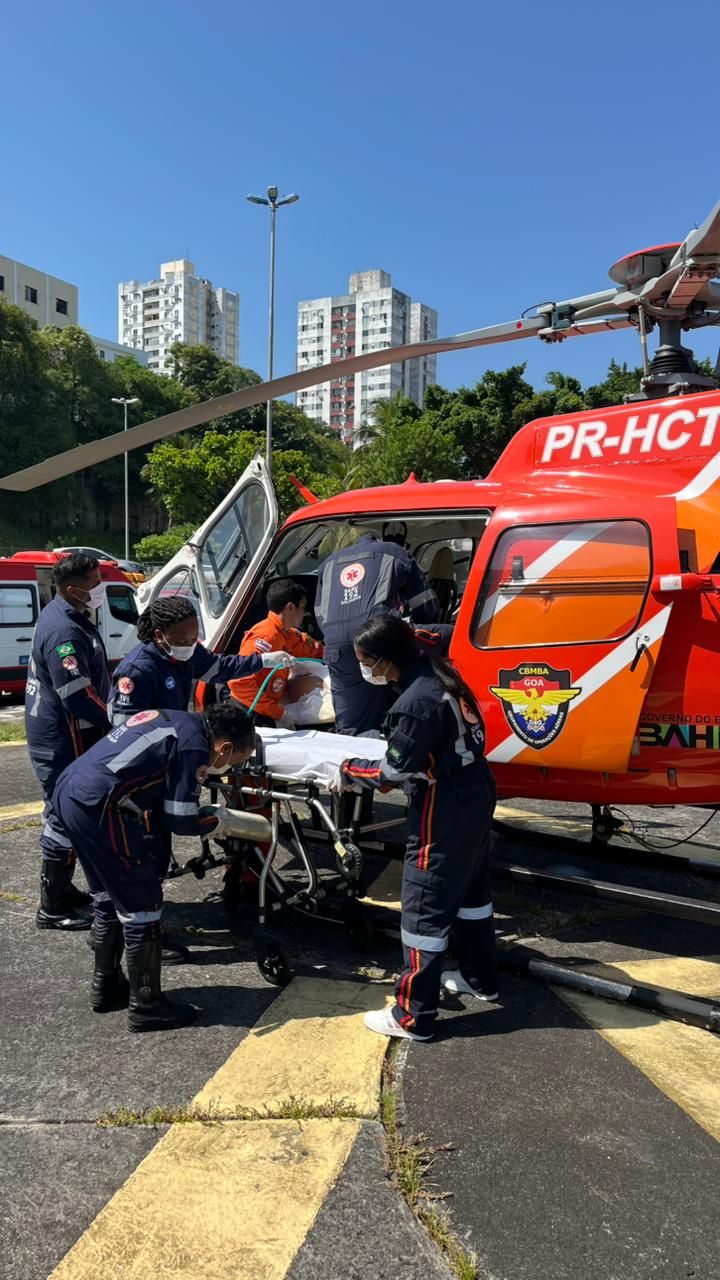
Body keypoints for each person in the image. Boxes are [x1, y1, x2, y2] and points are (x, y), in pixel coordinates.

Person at [330, 615, 497, 1042]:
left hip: (444, 806)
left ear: (386, 661)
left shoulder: (415, 702)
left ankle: (413, 1015)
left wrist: (348, 770)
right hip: (476, 791)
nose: (366, 670)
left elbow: (392, 771)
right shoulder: (442, 672)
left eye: (366, 661)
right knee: (472, 894)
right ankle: (480, 978)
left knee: (423, 907)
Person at [45, 702, 257, 1032]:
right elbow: (181, 819)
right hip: (101, 805)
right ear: (224, 747)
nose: (227, 768)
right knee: (143, 903)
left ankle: (107, 986)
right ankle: (147, 1005)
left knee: (105, 896)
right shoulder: (194, 748)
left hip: (72, 791)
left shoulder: (177, 721)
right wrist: (217, 821)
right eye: (232, 762)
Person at [25, 553, 111, 931]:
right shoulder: (64, 630)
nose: (99, 589)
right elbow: (76, 694)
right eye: (95, 583)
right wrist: (115, 716)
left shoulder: (70, 614)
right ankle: (52, 906)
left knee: (67, 811)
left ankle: (63, 890)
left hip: (65, 732)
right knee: (64, 813)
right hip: (63, 735)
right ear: (73, 589)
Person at [315, 526, 439, 736]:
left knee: (352, 725)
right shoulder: (395, 552)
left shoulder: (328, 564)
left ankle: (355, 763)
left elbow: (320, 613)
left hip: (336, 645)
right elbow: (424, 604)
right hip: (379, 636)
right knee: (407, 701)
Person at [109, 597, 295, 726]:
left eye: (193, 639)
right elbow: (125, 727)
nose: (190, 645)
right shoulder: (137, 671)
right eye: (183, 641)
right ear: (159, 636)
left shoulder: (188, 651)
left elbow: (220, 667)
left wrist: (261, 660)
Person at [227, 578, 324, 727]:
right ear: (290, 607)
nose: (304, 614)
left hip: (267, 708)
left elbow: (310, 648)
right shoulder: (265, 637)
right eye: (303, 608)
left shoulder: (287, 634)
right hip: (249, 712)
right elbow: (239, 682)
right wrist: (279, 713)